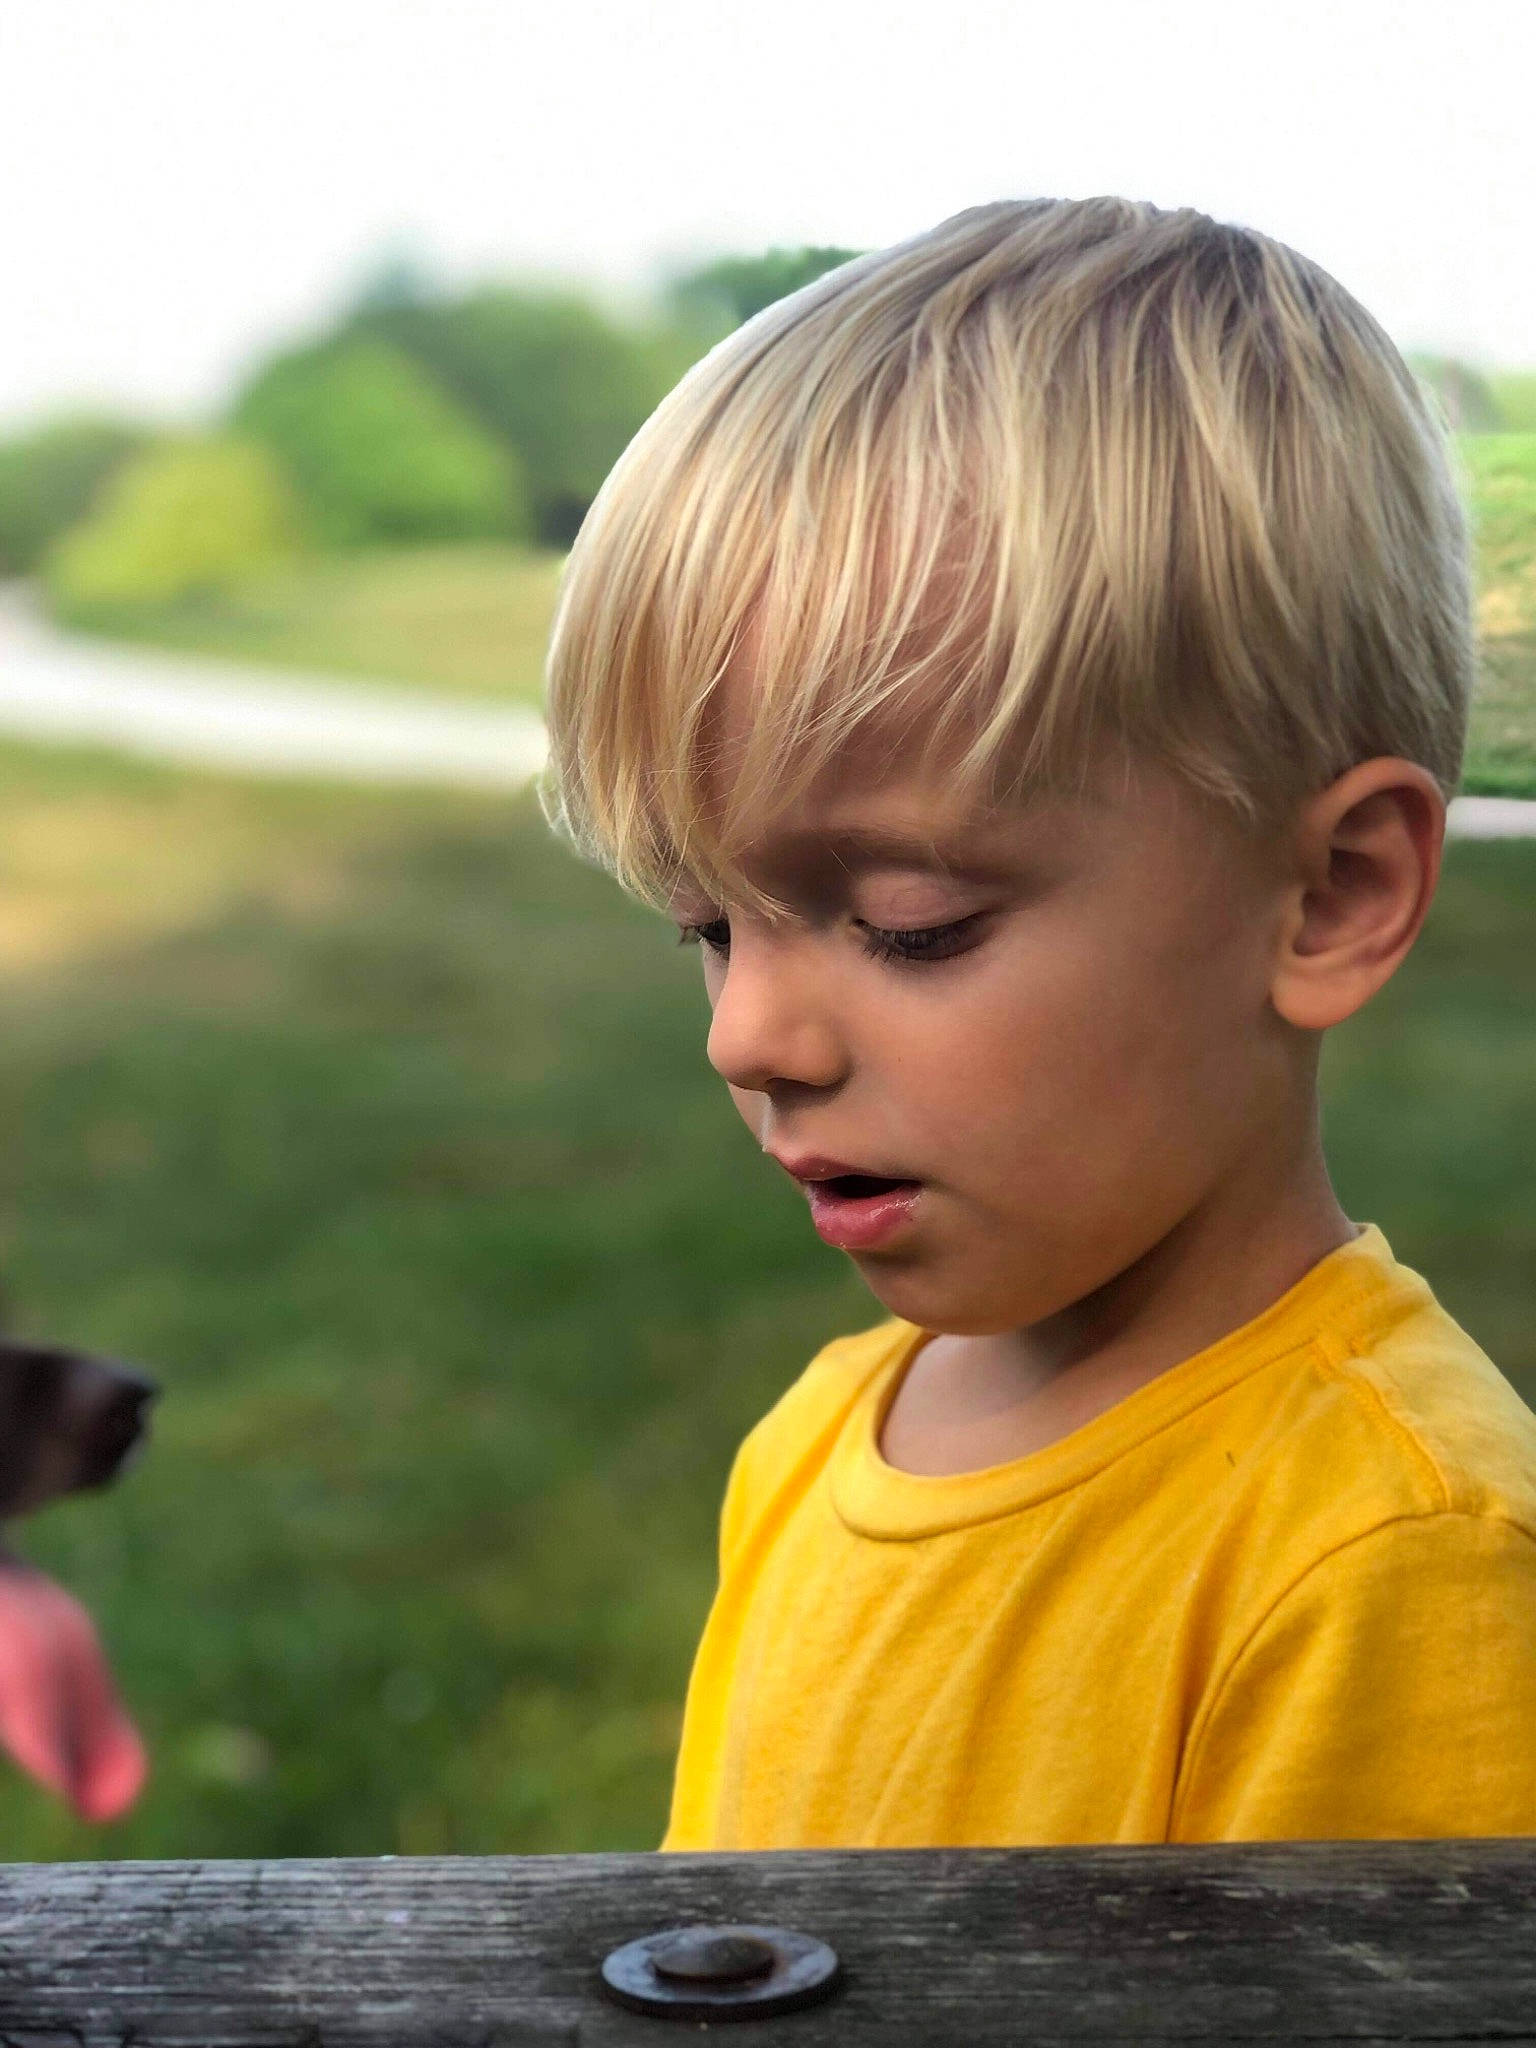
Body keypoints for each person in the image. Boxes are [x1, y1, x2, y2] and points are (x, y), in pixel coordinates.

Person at [537, 197, 1536, 1847]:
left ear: (1332, 897)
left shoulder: (1395, 1568)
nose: (751, 1039)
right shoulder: (812, 1445)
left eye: (910, 927)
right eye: (708, 927)